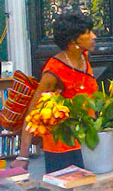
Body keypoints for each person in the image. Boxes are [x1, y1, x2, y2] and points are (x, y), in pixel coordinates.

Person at [12, 11, 98, 173]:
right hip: (60, 144)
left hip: (84, 139)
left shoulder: (83, 58)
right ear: (73, 40)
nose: (94, 36)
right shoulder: (54, 71)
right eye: (88, 32)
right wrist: (23, 156)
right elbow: (33, 113)